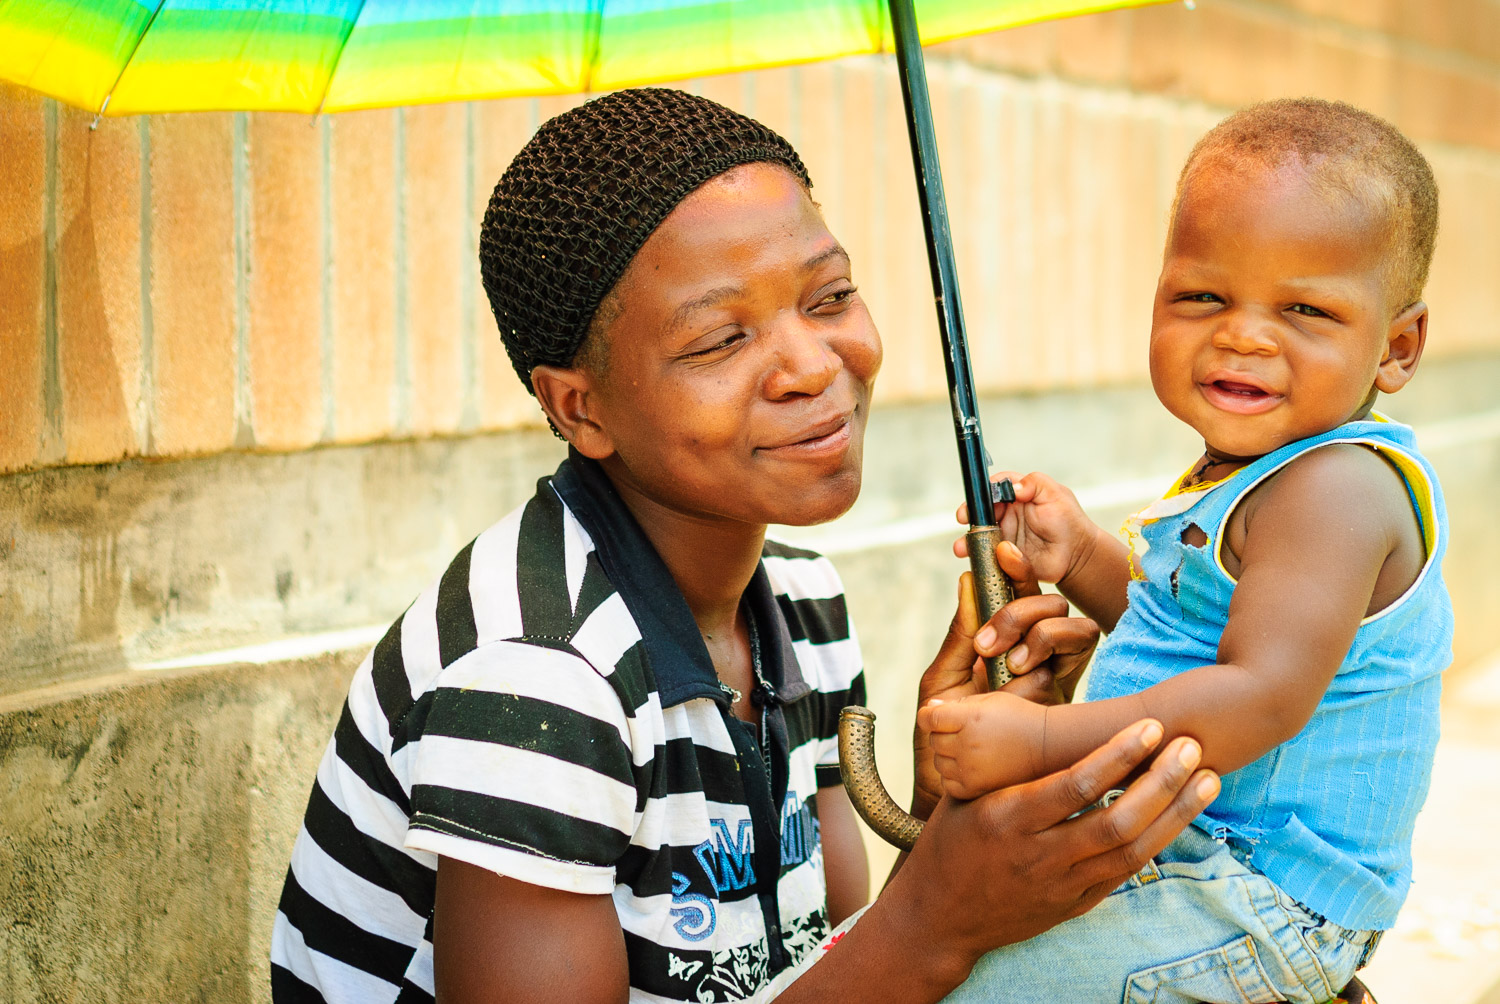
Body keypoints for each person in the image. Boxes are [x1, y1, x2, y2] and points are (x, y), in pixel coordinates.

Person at [267, 88, 1219, 1004]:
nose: (811, 365)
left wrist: (951, 816)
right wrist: (940, 918)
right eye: (722, 339)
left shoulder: (801, 602)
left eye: (830, 295)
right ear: (579, 407)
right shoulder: (539, 679)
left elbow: (835, 968)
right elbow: (905, 950)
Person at [924, 98, 1451, 1004]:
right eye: (1204, 295)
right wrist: (1082, 551)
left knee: (964, 985)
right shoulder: (1255, 470)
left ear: (1396, 347)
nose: (1243, 334)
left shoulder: (1337, 490)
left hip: (1258, 899)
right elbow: (1202, 636)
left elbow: (1258, 693)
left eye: (1305, 309)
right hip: (1191, 858)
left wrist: (1044, 740)